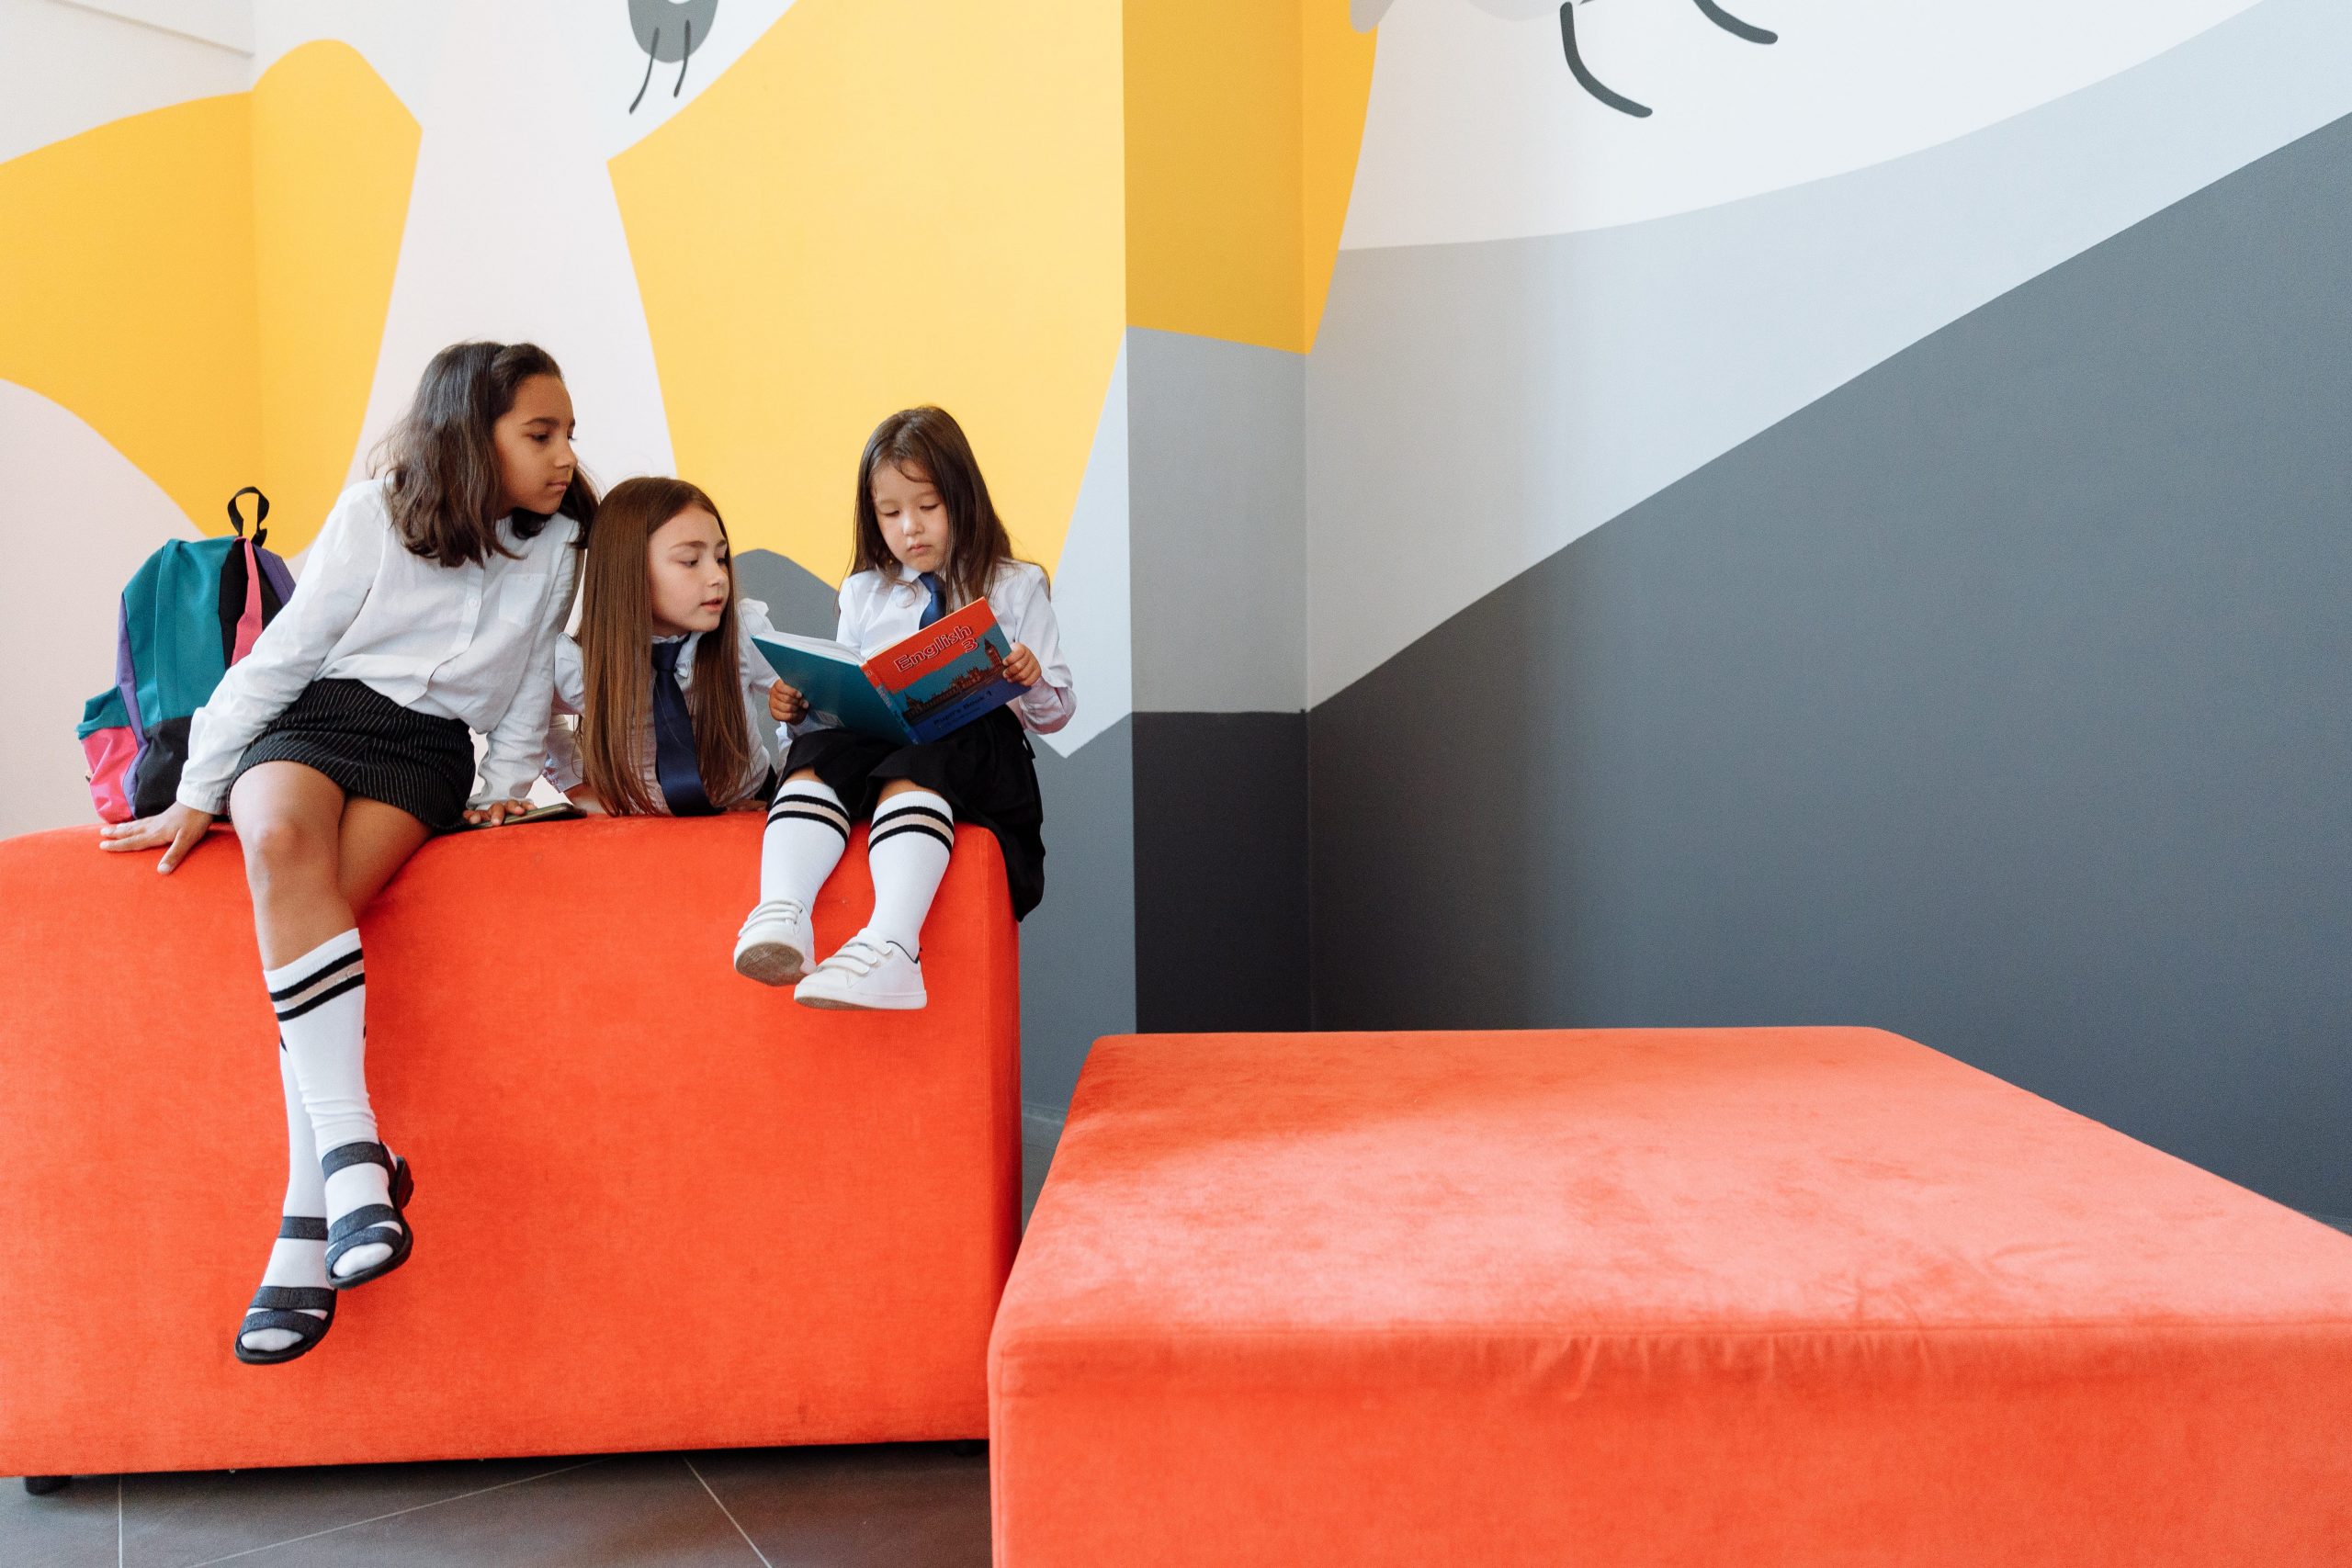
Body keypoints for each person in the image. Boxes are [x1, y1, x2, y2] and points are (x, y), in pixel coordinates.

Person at [98, 341, 595, 1363]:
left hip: (425, 752)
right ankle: (356, 1162)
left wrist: (502, 798)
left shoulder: (557, 547)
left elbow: (515, 704)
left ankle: (308, 1206)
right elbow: (283, 655)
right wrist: (198, 792)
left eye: (567, 435)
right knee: (277, 839)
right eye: (539, 433)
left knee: (314, 933)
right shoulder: (377, 514)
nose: (563, 455)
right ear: (471, 433)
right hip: (319, 719)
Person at [737, 406, 1073, 1010]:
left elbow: (1055, 714)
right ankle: (783, 907)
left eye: (927, 507)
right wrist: (801, 711)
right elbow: (845, 704)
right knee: (822, 748)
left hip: (987, 764)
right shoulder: (865, 592)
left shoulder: (1016, 584)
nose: (909, 529)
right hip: (891, 748)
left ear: (962, 499)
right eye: (890, 514)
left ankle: (892, 944)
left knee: (950, 735)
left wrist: (1030, 676)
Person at [543, 475, 786, 818]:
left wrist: (792, 789)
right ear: (629, 571)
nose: (718, 576)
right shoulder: (577, 665)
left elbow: (804, 706)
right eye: (690, 561)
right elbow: (529, 714)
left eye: (719, 557)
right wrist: (578, 787)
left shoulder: (743, 632)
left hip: (751, 807)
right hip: (651, 830)